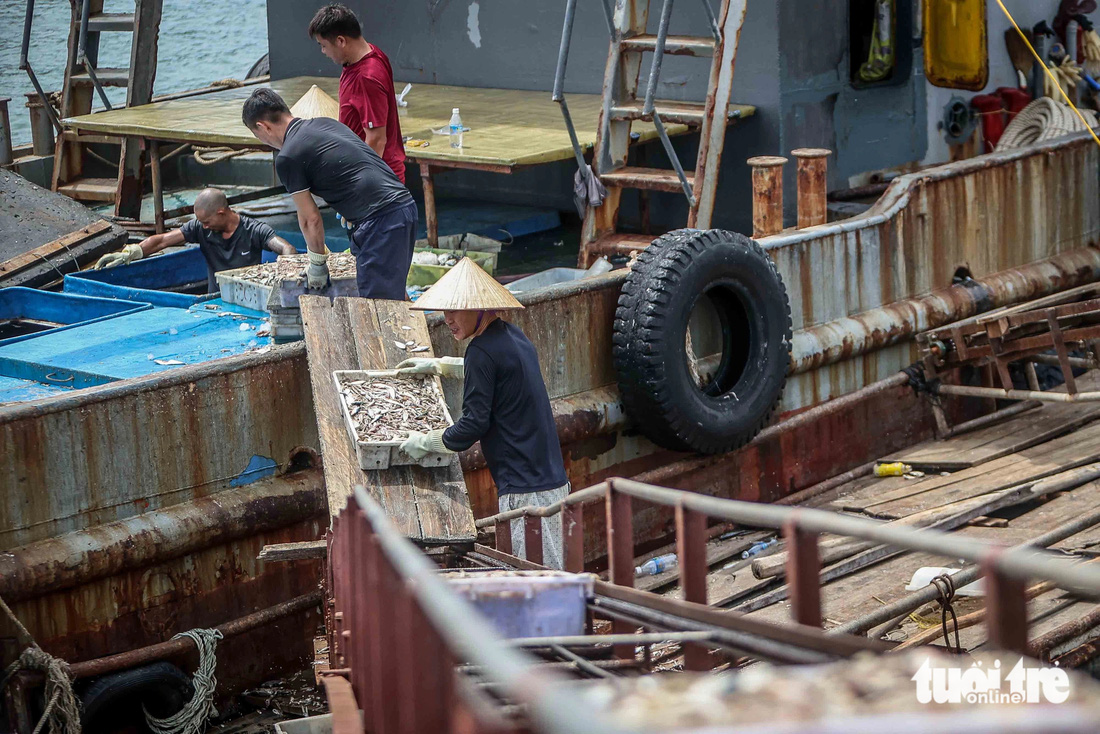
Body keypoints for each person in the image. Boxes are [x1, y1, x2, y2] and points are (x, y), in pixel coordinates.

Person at [396, 259, 570, 569]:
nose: (447, 319)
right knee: (553, 572)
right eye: (444, 311)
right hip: (552, 482)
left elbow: (473, 425)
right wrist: (441, 365)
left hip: (524, 492)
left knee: (535, 582)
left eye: (454, 310)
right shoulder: (514, 337)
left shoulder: (480, 351)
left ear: (478, 307)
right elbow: (497, 372)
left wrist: (425, 442)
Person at [241, 87, 417, 300]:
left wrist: (317, 263)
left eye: (256, 134)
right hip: (403, 206)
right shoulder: (326, 123)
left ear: (263, 127)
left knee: (380, 305)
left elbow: (309, 219)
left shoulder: (287, 157)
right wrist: (352, 206)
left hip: (381, 220)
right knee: (392, 290)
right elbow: (359, 163)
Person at [95, 187, 296, 292]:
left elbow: (287, 248)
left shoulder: (254, 230)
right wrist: (130, 253)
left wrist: (283, 278)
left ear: (221, 212)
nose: (204, 226)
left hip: (247, 297)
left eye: (207, 221)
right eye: (201, 222)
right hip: (214, 299)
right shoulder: (200, 228)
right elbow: (162, 241)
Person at [308, 3, 406, 183]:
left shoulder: (366, 77)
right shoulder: (372, 53)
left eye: (323, 45)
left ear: (340, 41)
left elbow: (376, 139)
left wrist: (358, 185)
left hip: (378, 182)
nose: (323, 52)